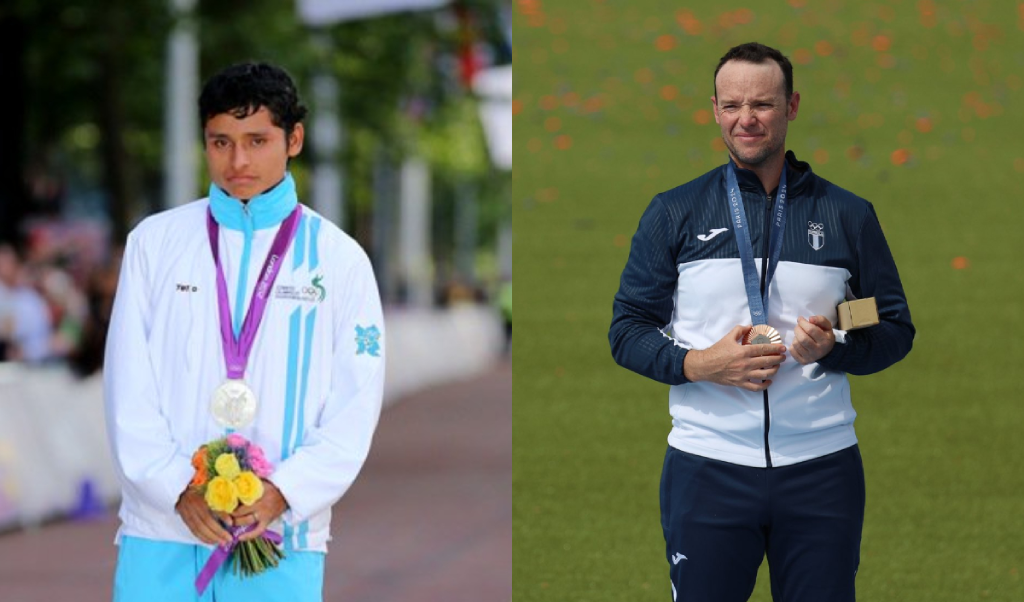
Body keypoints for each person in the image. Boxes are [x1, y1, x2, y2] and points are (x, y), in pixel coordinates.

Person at [608, 42, 914, 602]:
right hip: (707, 467)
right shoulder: (674, 212)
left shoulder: (847, 215)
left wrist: (836, 345)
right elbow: (627, 329)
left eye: (762, 104)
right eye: (731, 105)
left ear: (791, 106)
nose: (745, 119)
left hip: (822, 468)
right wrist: (699, 363)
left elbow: (890, 323)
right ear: (715, 109)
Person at [104, 62, 385, 601]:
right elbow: (126, 387)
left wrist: (286, 492)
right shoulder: (155, 243)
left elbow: (357, 400)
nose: (238, 161)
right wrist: (174, 489)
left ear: (293, 139)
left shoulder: (339, 260)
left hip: (280, 535)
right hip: (162, 530)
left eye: (257, 140)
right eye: (221, 142)